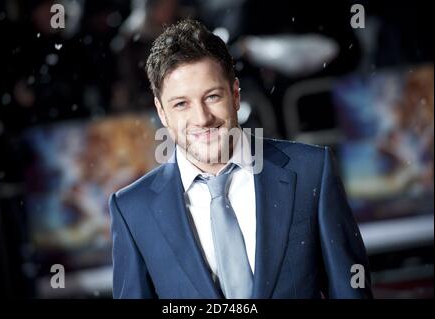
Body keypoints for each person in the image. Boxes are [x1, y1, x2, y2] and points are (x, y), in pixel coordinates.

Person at [109, 19, 373, 299]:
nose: (202, 118)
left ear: (235, 95)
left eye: (212, 96)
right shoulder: (132, 210)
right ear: (162, 112)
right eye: (181, 104)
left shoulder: (311, 171)